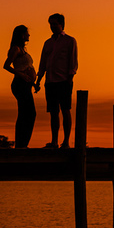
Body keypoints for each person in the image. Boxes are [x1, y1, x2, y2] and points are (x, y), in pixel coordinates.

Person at [35, 13, 77, 148]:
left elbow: (73, 61)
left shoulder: (70, 41)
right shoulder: (48, 43)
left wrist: (70, 78)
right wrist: (39, 80)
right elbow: (43, 63)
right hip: (50, 82)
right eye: (51, 24)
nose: (52, 27)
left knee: (65, 110)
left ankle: (66, 141)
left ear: (61, 24)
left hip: (64, 81)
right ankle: (54, 141)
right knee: (53, 112)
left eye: (55, 24)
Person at [3, 25, 37, 148]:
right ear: (22, 35)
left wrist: (33, 83)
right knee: (27, 113)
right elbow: (6, 65)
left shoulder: (23, 50)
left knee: (27, 113)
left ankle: (23, 144)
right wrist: (21, 75)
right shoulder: (16, 49)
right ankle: (21, 144)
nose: (29, 35)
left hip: (26, 84)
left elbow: (27, 68)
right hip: (20, 84)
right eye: (27, 33)